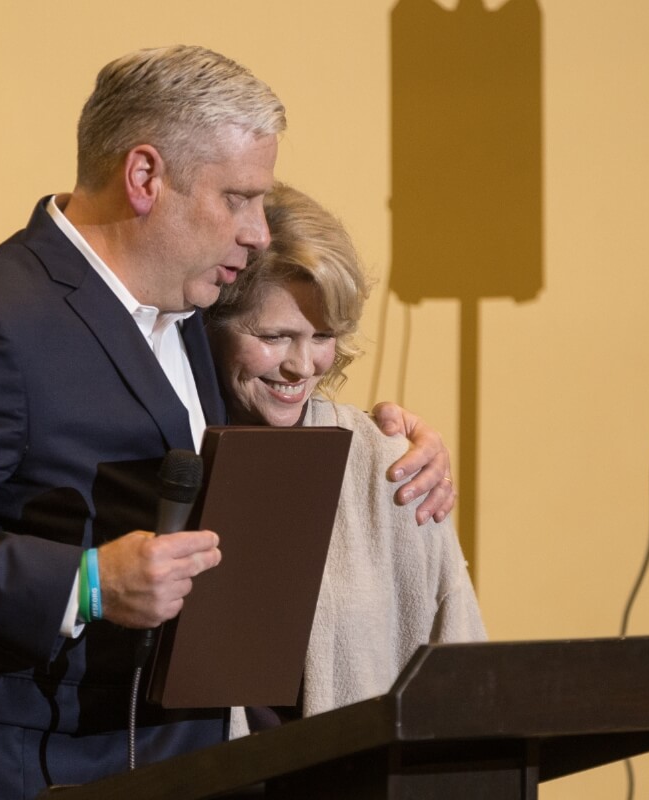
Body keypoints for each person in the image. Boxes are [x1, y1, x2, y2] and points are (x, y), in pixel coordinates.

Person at [0, 46, 454, 799]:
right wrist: (87, 584)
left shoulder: (191, 315)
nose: (258, 231)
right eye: (239, 199)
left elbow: (268, 399)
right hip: (10, 774)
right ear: (145, 176)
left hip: (172, 768)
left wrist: (392, 439)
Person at [204, 183, 486, 732]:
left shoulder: (390, 465)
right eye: (275, 336)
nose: (302, 365)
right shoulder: (168, 448)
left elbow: (462, 670)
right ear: (211, 324)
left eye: (323, 335)